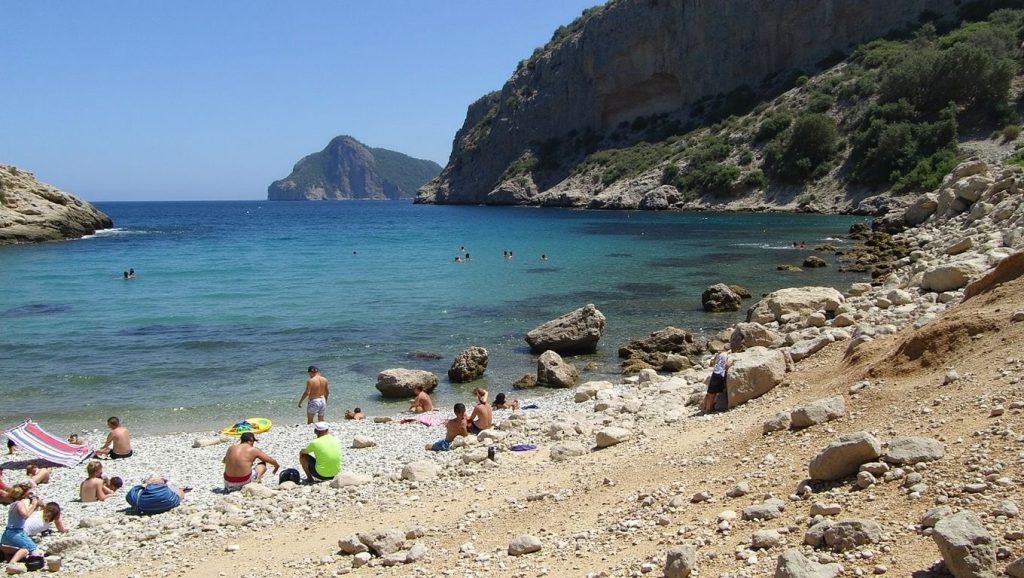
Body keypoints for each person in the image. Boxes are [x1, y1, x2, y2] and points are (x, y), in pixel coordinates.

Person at [1, 485, 44, 569]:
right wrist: (34, 504)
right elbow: (26, 515)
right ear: (23, 494)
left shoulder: (13, 504)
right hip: (15, 533)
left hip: (8, 532)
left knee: (21, 548)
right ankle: (11, 565)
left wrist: (34, 505)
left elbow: (25, 513)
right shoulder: (19, 503)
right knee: (34, 549)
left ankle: (9, 558)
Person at [702, 347, 732, 413]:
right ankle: (709, 408)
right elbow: (727, 364)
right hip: (720, 374)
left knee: (710, 393)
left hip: (716, 373)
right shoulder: (728, 355)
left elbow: (715, 362)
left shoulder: (720, 354)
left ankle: (706, 408)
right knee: (714, 393)